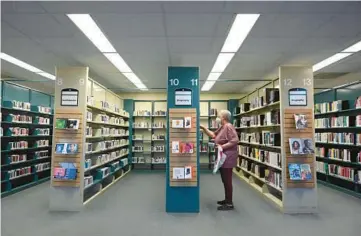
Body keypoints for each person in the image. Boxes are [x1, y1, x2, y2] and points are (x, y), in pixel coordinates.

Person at [200, 110, 239, 211]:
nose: (217, 118)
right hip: (222, 156)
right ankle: (227, 199)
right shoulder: (222, 127)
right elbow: (213, 135)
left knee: (227, 180)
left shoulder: (229, 126)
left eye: (219, 116)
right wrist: (204, 128)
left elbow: (235, 140)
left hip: (227, 157)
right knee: (224, 180)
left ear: (224, 118)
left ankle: (229, 203)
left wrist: (222, 146)